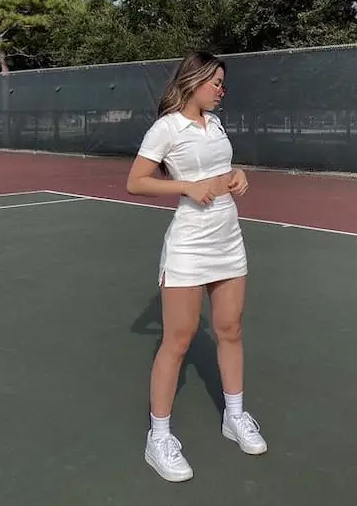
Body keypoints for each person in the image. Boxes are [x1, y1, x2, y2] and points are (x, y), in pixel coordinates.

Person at [126, 50, 267, 483]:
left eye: (223, 84)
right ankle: (160, 438)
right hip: (189, 246)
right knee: (178, 341)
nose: (221, 90)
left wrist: (237, 173)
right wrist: (187, 186)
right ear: (194, 81)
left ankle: (235, 417)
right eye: (216, 83)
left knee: (230, 329)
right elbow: (136, 181)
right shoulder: (167, 128)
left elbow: (220, 170)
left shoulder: (216, 124)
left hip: (228, 239)